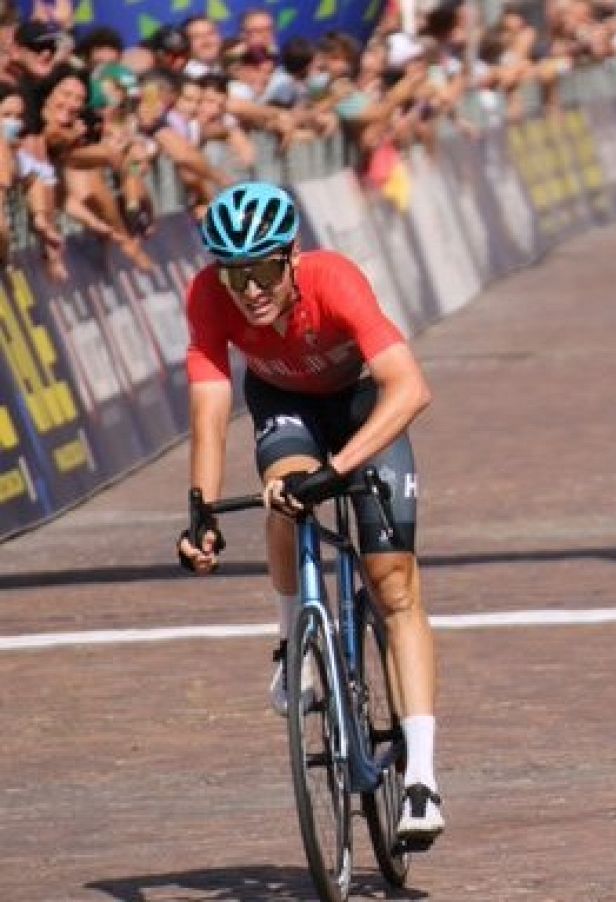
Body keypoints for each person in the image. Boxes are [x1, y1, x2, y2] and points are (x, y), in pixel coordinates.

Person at [175, 181, 446, 843]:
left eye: (266, 269)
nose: (251, 289)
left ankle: (421, 780)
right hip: (282, 401)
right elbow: (210, 413)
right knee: (285, 493)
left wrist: (342, 470)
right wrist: (200, 512)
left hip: (362, 405)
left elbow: (410, 388)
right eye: (235, 274)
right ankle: (293, 642)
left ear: (291, 258)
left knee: (394, 583)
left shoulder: (335, 280)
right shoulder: (209, 296)